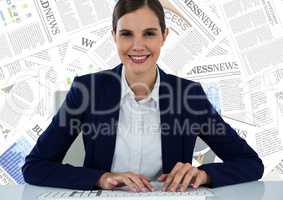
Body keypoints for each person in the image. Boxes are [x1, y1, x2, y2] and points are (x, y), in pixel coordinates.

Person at [22, 0, 264, 192]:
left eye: (149, 33)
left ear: (164, 36)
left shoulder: (189, 95)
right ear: (114, 36)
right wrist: (101, 178)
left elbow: (250, 163)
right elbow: (35, 167)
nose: (138, 46)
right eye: (126, 34)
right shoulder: (87, 90)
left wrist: (204, 174)